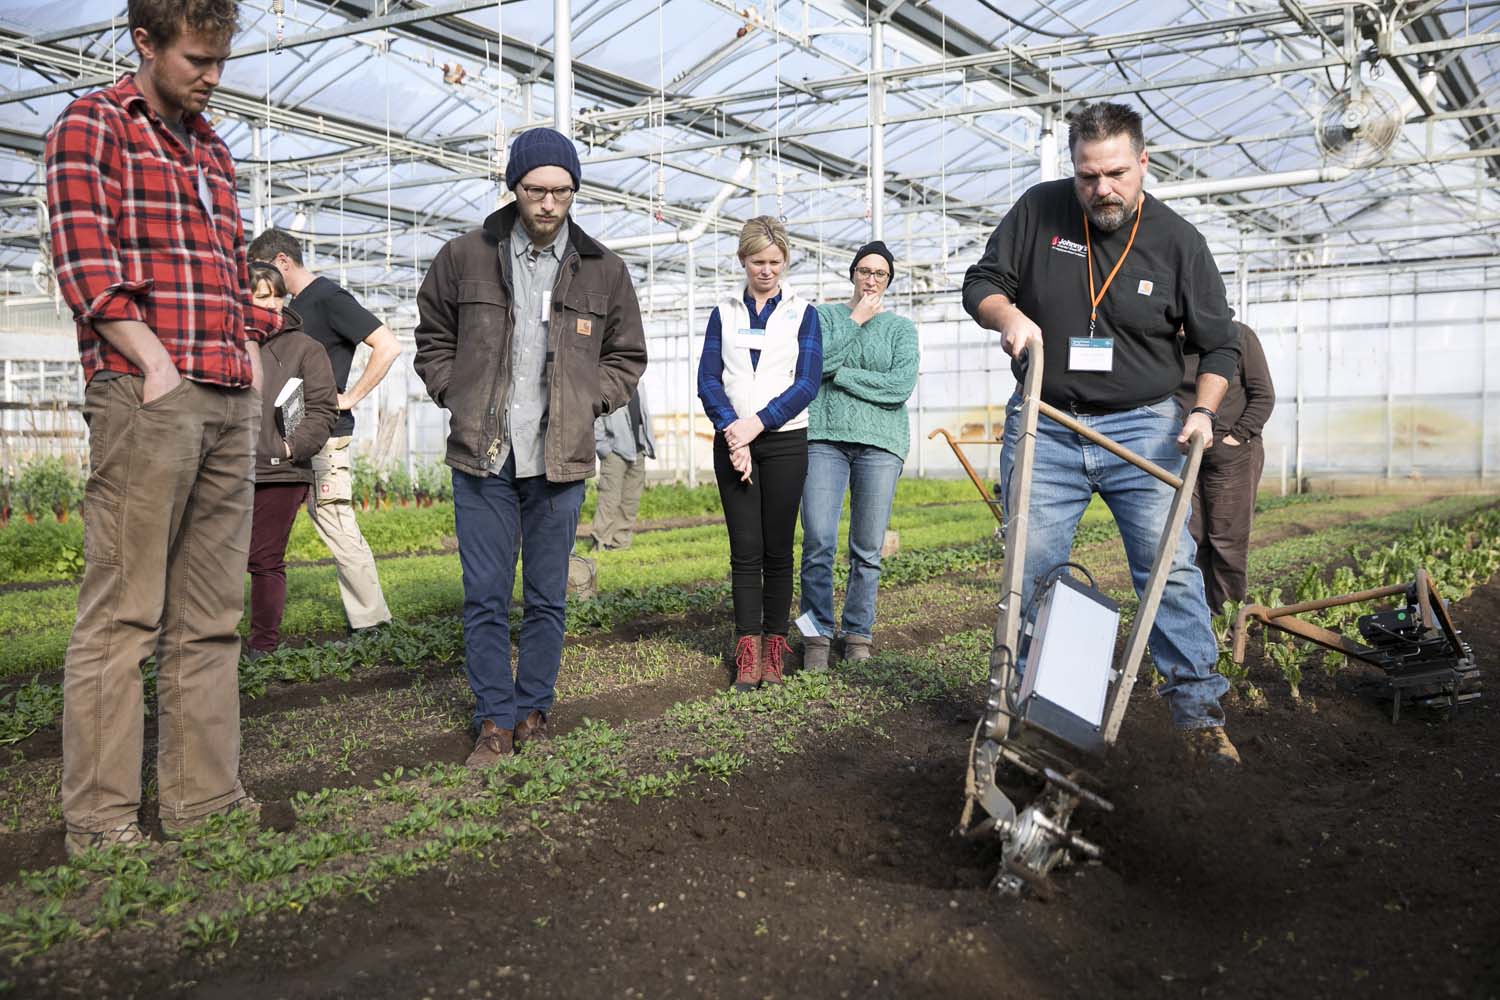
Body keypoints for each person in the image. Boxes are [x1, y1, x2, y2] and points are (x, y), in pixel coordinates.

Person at [46, 0, 271, 855]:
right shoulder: (92, 125)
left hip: (223, 390)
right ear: (144, 42)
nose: (212, 77)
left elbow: (218, 266)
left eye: (220, 60)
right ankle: (102, 821)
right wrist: (157, 365)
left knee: (211, 614)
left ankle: (202, 802)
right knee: (124, 613)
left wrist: (245, 344)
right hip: (148, 393)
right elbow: (85, 263)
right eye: (196, 60)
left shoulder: (212, 147)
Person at [962, 102, 1244, 766]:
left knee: (1168, 572)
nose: (1101, 190)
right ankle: (1018, 714)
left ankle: (1199, 717)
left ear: (1143, 162)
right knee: (1029, 574)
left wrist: (1201, 412)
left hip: (1144, 428)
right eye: (1088, 176)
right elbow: (982, 282)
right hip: (1046, 419)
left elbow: (1219, 348)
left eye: (1115, 173)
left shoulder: (1177, 242)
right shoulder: (1039, 211)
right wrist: (1007, 316)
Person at [414, 127, 646, 766]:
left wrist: (587, 400)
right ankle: (493, 717)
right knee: (485, 592)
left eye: (562, 192)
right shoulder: (465, 257)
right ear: (514, 188)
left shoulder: (604, 270)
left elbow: (627, 356)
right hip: (484, 455)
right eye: (537, 190)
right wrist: (453, 392)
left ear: (574, 192)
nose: (549, 203)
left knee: (547, 594)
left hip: (560, 459)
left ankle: (534, 710)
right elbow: (431, 335)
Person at [248, 227, 400, 636]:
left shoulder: (328, 298)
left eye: (265, 273)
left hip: (325, 434)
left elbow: (388, 345)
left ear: (281, 262)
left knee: (334, 518)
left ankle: (373, 622)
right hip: (295, 436)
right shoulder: (297, 307)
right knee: (320, 519)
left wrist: (348, 398)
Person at [698, 216, 823, 692]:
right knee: (745, 551)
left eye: (774, 262)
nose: (766, 271)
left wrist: (756, 424)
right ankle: (746, 651)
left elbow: (807, 382)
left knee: (777, 549)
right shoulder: (724, 312)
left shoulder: (802, 313)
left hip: (785, 441)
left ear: (785, 262)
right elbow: (708, 377)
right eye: (757, 262)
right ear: (742, 260)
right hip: (733, 442)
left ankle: (775, 647)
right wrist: (733, 431)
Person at [798, 241, 919, 670]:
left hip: (881, 444)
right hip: (824, 438)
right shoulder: (824, 317)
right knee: (818, 540)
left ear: (888, 281)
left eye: (880, 274)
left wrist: (841, 375)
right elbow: (811, 368)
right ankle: (815, 637)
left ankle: (857, 633)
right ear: (852, 274)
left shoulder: (901, 329)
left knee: (867, 548)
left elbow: (899, 387)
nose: (871, 279)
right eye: (865, 270)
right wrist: (855, 320)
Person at [246, 263, 338, 658]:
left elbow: (322, 408)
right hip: (225, 468)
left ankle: (262, 647)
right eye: (261, 296)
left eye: (277, 295)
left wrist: (291, 447)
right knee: (215, 560)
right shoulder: (224, 344)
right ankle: (209, 644)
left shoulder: (305, 348)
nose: (272, 304)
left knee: (263, 558)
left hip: (281, 472)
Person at [1174, 321, 1275, 612]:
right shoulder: (1165, 344)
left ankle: (1227, 620)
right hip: (1185, 453)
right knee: (1191, 540)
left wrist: (1236, 437)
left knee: (1227, 542)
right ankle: (1198, 615)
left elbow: (1263, 394)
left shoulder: (1238, 336)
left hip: (1232, 454)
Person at [590, 389, 656, 550]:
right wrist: (604, 448)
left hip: (638, 450)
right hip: (615, 452)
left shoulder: (639, 383)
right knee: (609, 499)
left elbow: (643, 414)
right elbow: (595, 416)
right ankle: (600, 542)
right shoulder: (607, 382)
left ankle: (620, 543)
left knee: (630, 500)